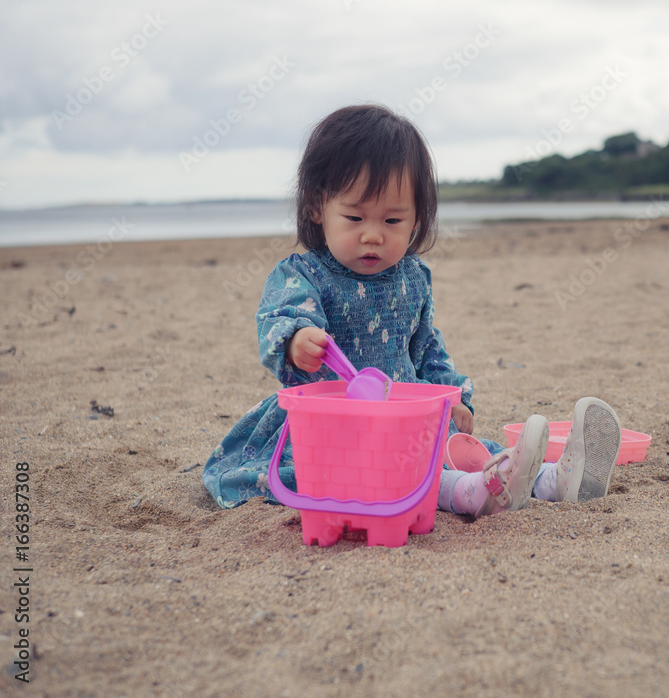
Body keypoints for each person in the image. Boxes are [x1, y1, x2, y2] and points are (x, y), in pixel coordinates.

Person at [202, 104, 623, 518]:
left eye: (392, 221)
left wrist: (454, 396)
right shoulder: (303, 275)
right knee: (392, 472)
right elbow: (279, 317)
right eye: (354, 217)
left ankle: (555, 479)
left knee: (465, 450)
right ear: (317, 207)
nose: (372, 235)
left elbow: (427, 349)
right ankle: (473, 494)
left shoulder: (413, 277)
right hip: (332, 428)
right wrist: (296, 340)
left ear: (417, 218)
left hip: (409, 417)